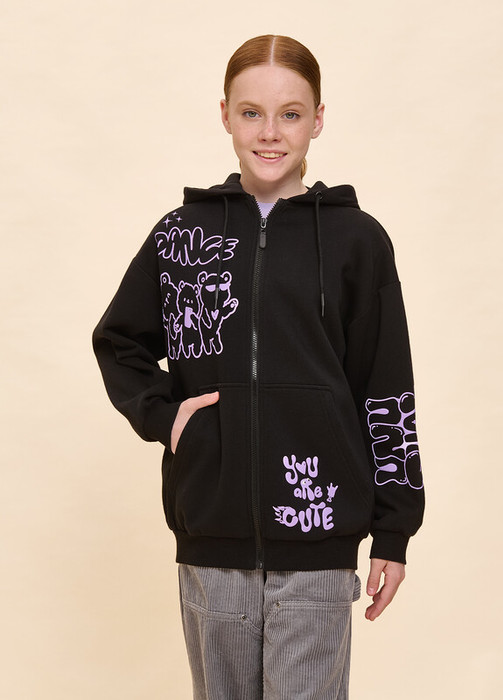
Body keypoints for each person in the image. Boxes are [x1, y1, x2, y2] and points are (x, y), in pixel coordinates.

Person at [93, 34, 424, 699]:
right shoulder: (182, 235)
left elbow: (386, 391)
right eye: (251, 113)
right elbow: (119, 341)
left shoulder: (357, 240)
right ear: (225, 115)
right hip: (211, 537)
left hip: (319, 537)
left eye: (290, 114)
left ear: (318, 119)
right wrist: (167, 418)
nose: (270, 133)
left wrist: (394, 529)